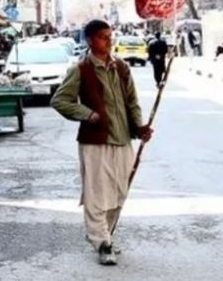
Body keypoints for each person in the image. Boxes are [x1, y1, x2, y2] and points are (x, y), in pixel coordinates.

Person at [51, 20, 153, 266]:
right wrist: (87, 114)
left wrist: (140, 128)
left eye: (110, 36)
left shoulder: (121, 67)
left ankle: (105, 234)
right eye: (103, 37)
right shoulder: (81, 69)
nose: (109, 41)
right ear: (89, 40)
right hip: (95, 141)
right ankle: (102, 242)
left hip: (122, 138)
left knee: (119, 192)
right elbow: (60, 100)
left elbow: (132, 102)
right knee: (97, 193)